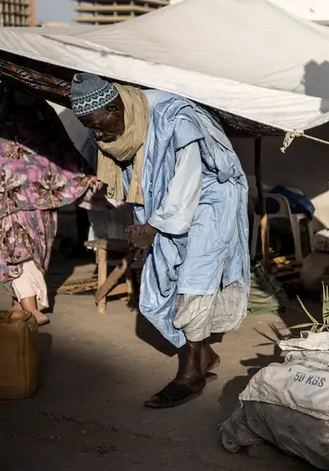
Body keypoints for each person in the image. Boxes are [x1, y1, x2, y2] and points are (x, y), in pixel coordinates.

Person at [70, 73, 250, 408]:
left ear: (114, 108)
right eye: (89, 127)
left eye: (97, 125)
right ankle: (204, 355)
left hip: (210, 200)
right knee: (156, 289)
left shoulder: (173, 115)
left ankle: (191, 374)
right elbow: (142, 183)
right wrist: (145, 225)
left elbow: (188, 177)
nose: (96, 134)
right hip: (164, 206)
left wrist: (154, 226)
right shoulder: (118, 130)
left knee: (195, 282)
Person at [0, 84, 99, 326]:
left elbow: (60, 145)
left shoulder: (37, 107)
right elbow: (62, 146)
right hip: (12, 195)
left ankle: (20, 305)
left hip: (39, 192)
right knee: (16, 246)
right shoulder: (33, 105)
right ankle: (31, 307)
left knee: (36, 249)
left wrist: (83, 175)